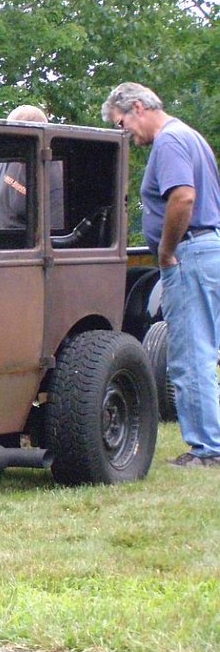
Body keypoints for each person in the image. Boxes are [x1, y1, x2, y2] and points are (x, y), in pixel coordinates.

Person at [102, 82, 220, 467]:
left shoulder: (169, 142)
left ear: (137, 107)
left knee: (190, 356)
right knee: (202, 350)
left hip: (187, 256)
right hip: (205, 251)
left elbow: (183, 197)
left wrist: (167, 250)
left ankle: (208, 451)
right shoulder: (191, 136)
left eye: (123, 124)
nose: (125, 135)